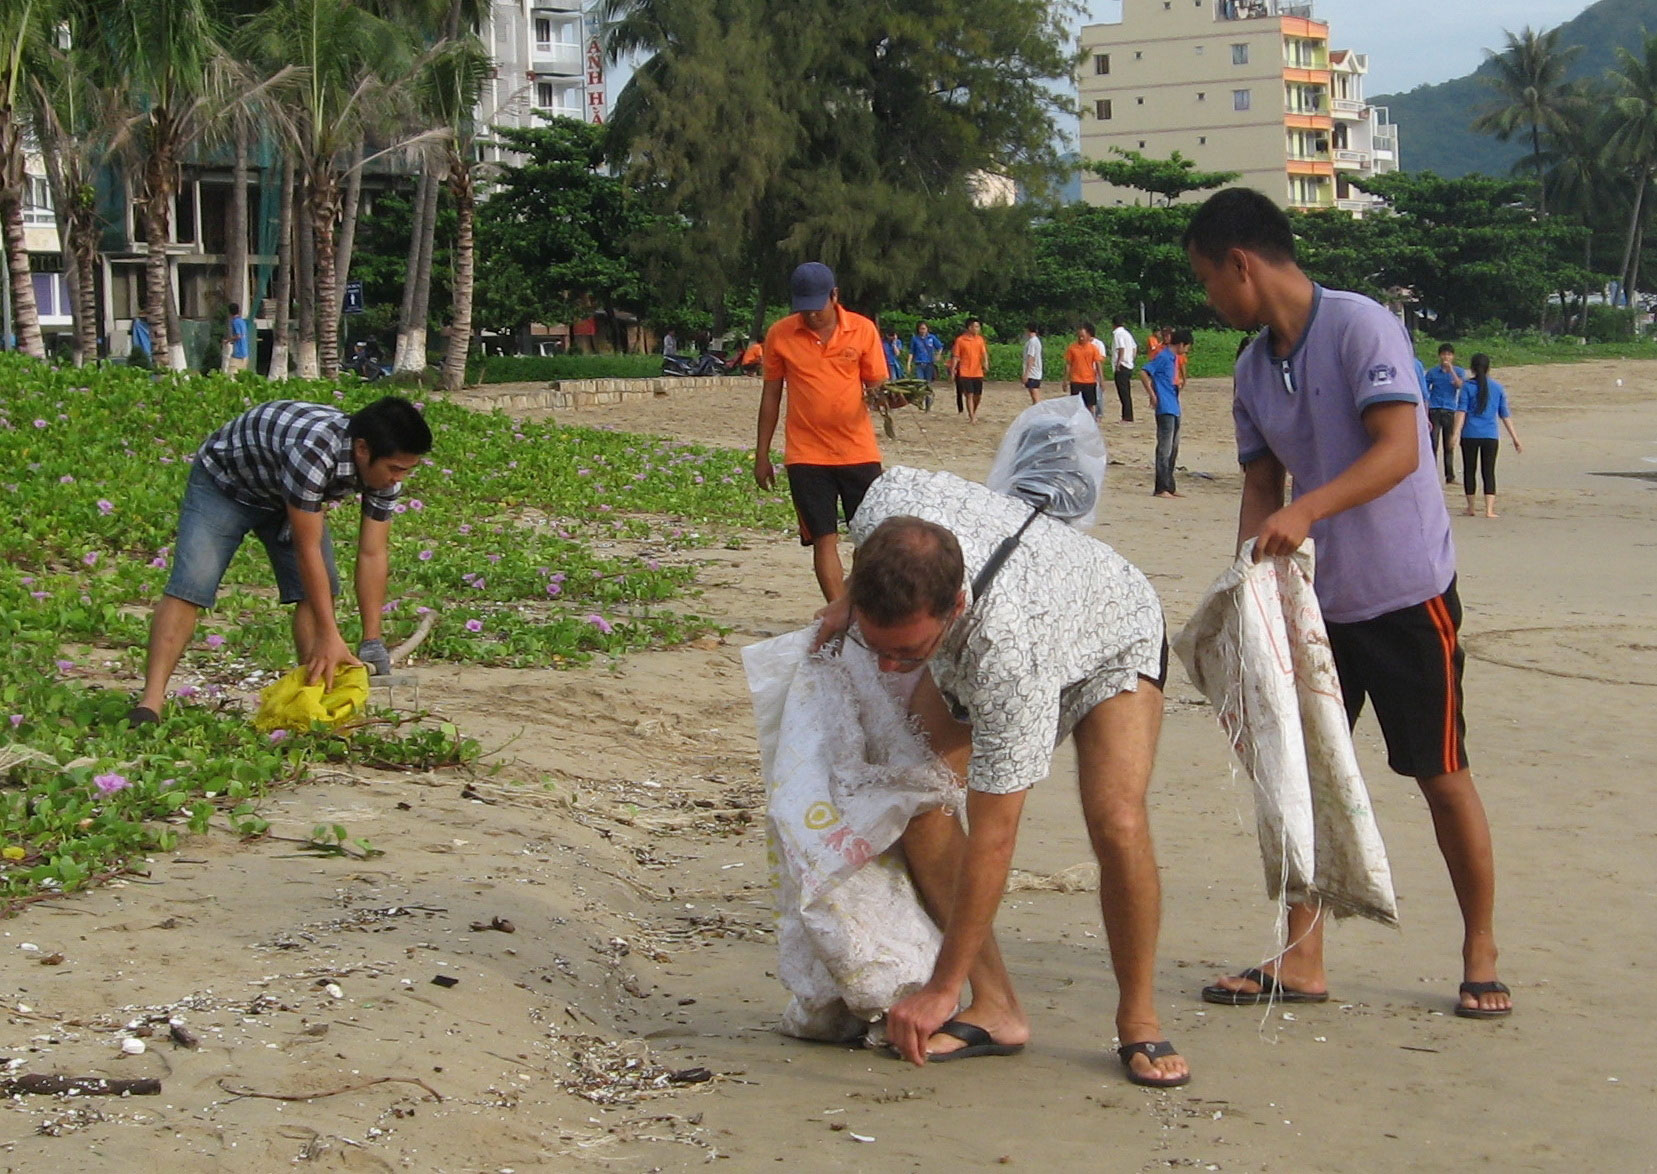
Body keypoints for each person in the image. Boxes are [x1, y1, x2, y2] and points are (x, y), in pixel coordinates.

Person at [1183, 187, 1511, 1020]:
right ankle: (1302, 959)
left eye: (1206, 280)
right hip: (1311, 607)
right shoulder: (1253, 369)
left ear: (1240, 264)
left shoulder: (1361, 323)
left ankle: (1479, 951)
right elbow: (1261, 485)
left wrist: (1306, 511)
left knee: (1438, 775)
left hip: (1403, 593)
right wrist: (1244, 597)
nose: (1208, 299)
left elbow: (1399, 450)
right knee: (1301, 779)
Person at [812, 468, 1190, 1087]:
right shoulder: (884, 506)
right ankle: (998, 1008)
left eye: (906, 655)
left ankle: (1138, 1018)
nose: (886, 667)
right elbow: (872, 561)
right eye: (876, 646)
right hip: (1005, 612)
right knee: (917, 797)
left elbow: (996, 836)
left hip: (1113, 626)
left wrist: (940, 987)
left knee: (1115, 818)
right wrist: (846, 601)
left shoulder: (1008, 656)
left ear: (955, 606)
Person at [126, 396, 433, 725]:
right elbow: (307, 548)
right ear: (362, 449)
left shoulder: (386, 474)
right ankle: (150, 703)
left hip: (286, 493)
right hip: (225, 485)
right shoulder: (314, 451)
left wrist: (372, 640)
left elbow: (372, 552)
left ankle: (312, 700)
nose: (399, 479)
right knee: (192, 583)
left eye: (407, 470)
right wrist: (330, 634)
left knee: (318, 592)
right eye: (395, 469)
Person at [755, 262, 888, 602]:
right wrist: (762, 454)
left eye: (818, 305)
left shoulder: (863, 330)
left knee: (869, 538)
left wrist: (896, 400)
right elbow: (771, 396)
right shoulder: (780, 334)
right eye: (804, 307)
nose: (811, 314)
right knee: (823, 538)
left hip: (859, 452)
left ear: (835, 295)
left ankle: (855, 603)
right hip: (806, 455)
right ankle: (838, 612)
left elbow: (878, 390)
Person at [1454, 353, 1523, 518]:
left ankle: (1471, 507)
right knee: (1489, 471)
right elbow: (1504, 414)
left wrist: (1455, 433)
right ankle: (1489, 509)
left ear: (1472, 368)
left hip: (1469, 434)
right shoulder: (1498, 387)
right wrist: (1515, 438)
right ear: (1488, 368)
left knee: (1469, 470)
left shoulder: (1467, 387)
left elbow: (1461, 411)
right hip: (1490, 435)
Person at [1141, 329, 1192, 498]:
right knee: (1164, 448)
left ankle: (1170, 485)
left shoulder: (1174, 359)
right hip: (1165, 407)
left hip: (1174, 406)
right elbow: (1144, 372)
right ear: (1181, 344)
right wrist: (1153, 395)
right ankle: (1160, 487)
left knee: (1174, 447)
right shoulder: (1163, 357)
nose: (1187, 350)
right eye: (1187, 347)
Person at [1424, 343, 1466, 484]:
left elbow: (1460, 385)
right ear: (1439, 356)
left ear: (1453, 356)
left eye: (1449, 354)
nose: (1446, 357)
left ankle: (1450, 475)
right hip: (1435, 409)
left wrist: (1451, 370)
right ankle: (1432, 474)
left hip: (1449, 410)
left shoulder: (1459, 371)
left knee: (1449, 444)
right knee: (1433, 442)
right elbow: (1425, 389)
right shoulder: (1432, 372)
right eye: (1443, 354)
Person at [950, 318, 989, 424]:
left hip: (977, 371)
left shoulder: (980, 340)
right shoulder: (960, 340)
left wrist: (985, 363)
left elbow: (984, 353)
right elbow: (956, 356)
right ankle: (971, 416)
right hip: (965, 371)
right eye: (975, 326)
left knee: (978, 395)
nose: (977, 329)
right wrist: (953, 370)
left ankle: (973, 411)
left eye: (978, 327)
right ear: (969, 327)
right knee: (969, 394)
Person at [1064, 324, 1103, 419]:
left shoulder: (1093, 348)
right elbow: (1068, 364)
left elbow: (1098, 364)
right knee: (1075, 404)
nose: (1081, 338)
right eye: (1079, 336)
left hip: (1090, 380)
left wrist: (1101, 380)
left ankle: (1091, 420)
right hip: (1076, 380)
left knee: (1090, 404)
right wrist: (1065, 379)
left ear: (1089, 336)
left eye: (1083, 336)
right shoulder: (1072, 348)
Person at [1110, 317, 1138, 423]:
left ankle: (1127, 416)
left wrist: (1119, 363)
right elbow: (1134, 348)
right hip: (1128, 365)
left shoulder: (1117, 334)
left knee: (1123, 392)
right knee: (1126, 391)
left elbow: (1121, 348)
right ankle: (1127, 415)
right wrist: (1131, 359)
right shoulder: (1127, 334)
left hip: (1122, 365)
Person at [1021, 322, 1044, 405]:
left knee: (1035, 396)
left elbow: (1031, 358)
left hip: (1033, 373)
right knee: (1034, 396)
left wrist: (1026, 374)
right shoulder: (1035, 341)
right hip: (1034, 372)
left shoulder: (1032, 342)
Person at [225, 303, 250, 374]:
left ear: (229, 312)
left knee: (231, 375)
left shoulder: (235, 322)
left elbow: (238, 336)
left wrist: (228, 340)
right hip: (245, 353)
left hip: (237, 354)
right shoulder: (242, 321)